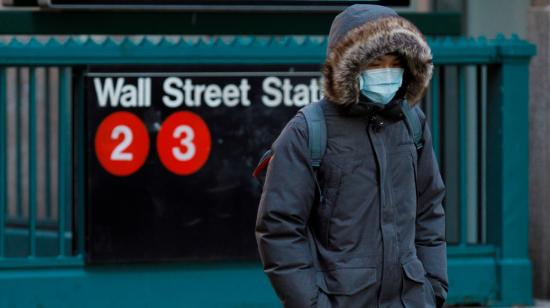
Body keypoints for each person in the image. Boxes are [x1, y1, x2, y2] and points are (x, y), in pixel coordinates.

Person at [255, 4, 448, 308]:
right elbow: (280, 229)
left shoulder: (412, 124)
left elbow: (429, 208)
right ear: (349, 66)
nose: (386, 71)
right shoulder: (307, 131)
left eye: (393, 62)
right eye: (374, 63)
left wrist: (433, 287)